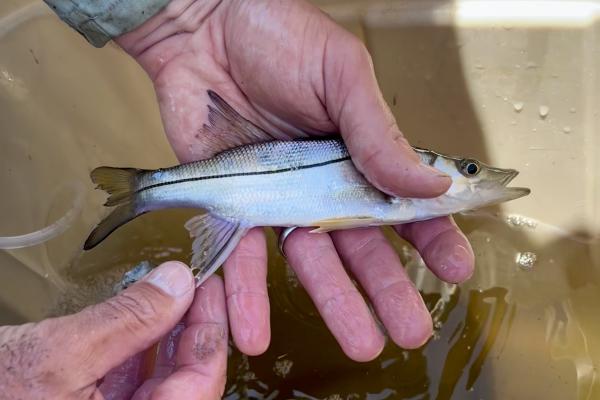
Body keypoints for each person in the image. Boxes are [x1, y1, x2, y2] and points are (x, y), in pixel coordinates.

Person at [0, 0, 475, 398]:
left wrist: (189, 11)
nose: (471, 178)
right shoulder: (403, 190)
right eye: (468, 170)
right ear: (429, 163)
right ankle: (143, 190)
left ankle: (146, 190)